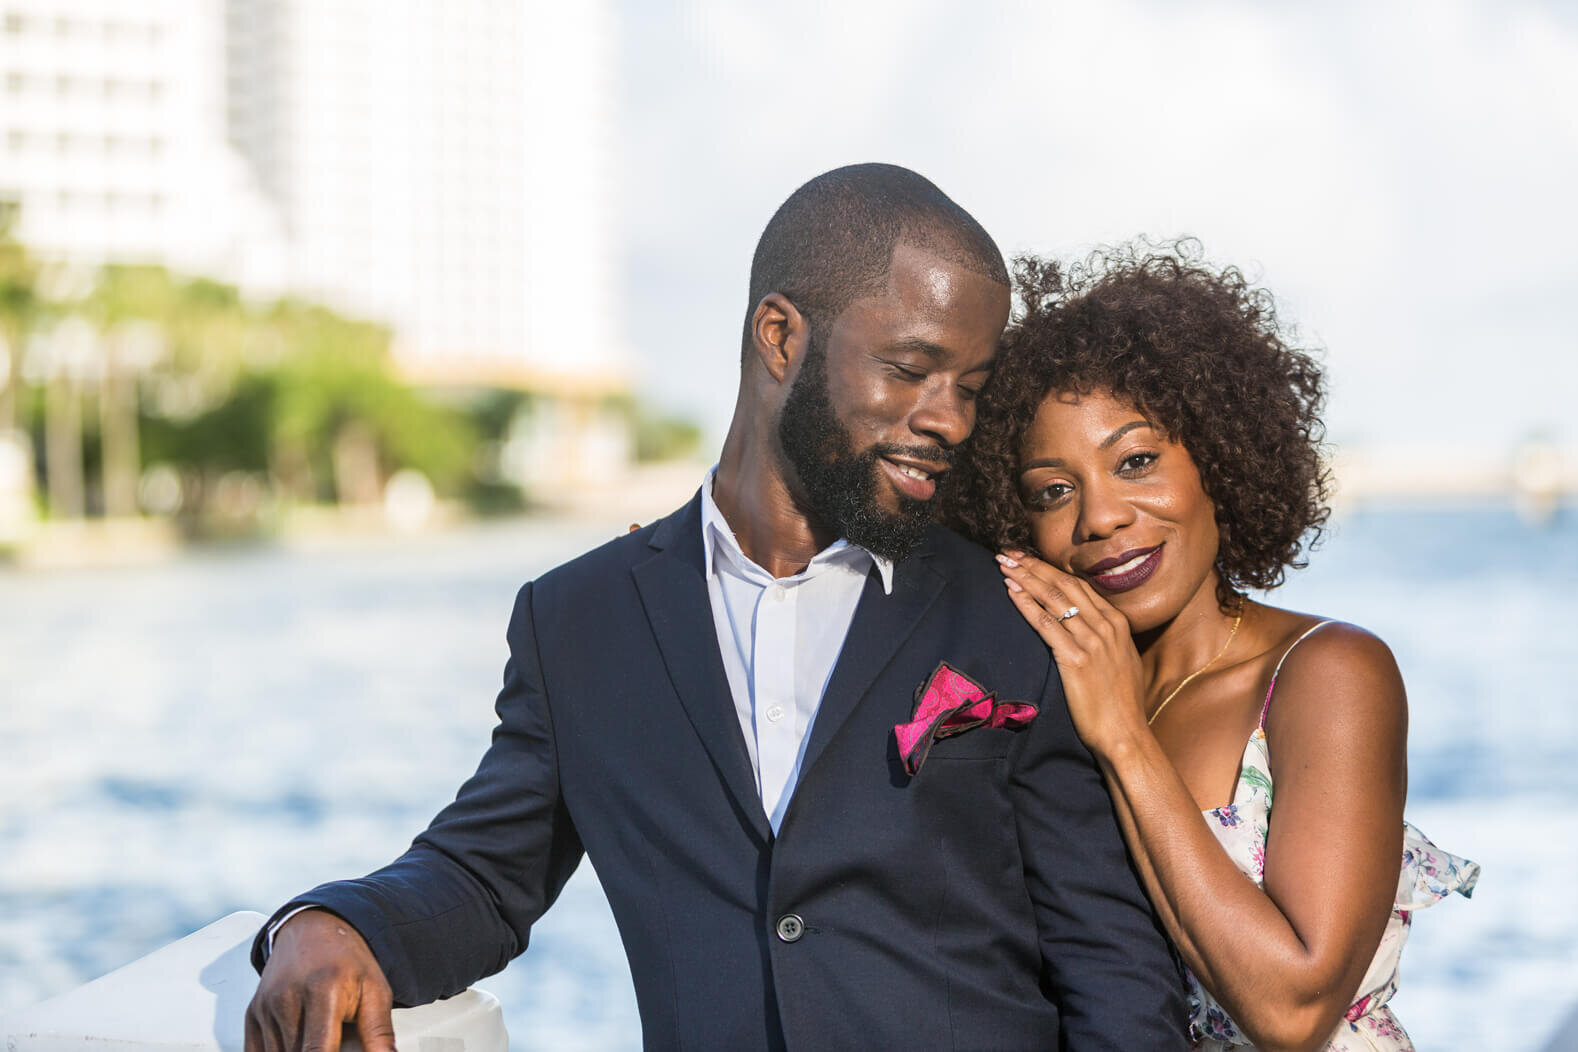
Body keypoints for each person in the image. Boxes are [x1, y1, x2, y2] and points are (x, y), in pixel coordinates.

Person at [244, 166, 1188, 1052]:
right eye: (909, 369)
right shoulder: (580, 620)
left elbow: (1108, 957)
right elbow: (484, 876)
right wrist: (326, 923)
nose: (949, 419)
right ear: (780, 338)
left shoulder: (1011, 612)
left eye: (970, 390)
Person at [942, 242, 1478, 1051]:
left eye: (1137, 461)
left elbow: (1292, 1011)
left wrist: (1123, 739)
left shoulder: (1326, 675)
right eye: (1055, 491)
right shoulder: (1054, 697)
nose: (1102, 517)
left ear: (1218, 457)